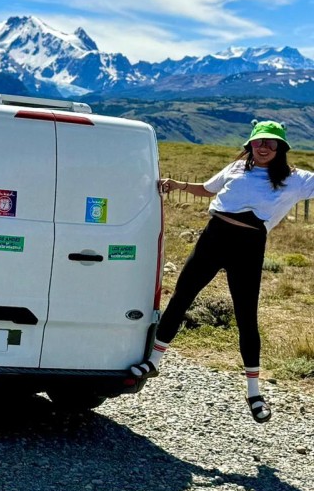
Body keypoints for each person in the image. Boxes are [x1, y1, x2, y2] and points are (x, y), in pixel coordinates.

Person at [131, 120, 314, 423]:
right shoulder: (235, 169)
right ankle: (153, 362)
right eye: (259, 142)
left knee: (246, 316)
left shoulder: (296, 179)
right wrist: (178, 186)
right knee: (181, 298)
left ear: (281, 148)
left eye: (271, 143)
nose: (265, 147)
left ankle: (254, 392)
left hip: (249, 246)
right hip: (213, 238)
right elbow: (206, 189)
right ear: (250, 144)